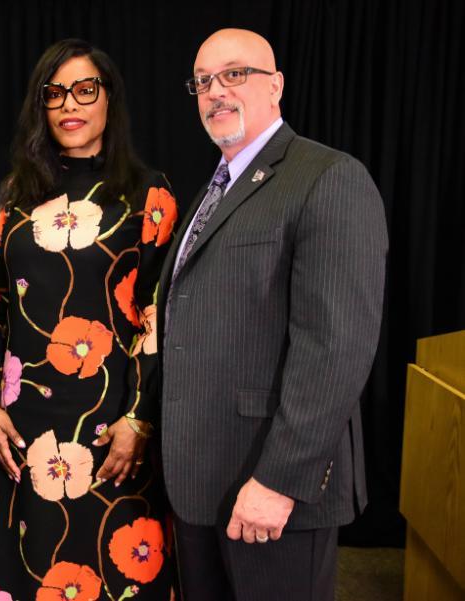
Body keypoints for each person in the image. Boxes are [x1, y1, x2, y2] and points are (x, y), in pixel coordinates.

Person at [158, 29, 388, 600]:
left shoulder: (328, 178)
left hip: (271, 489)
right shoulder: (216, 188)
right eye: (203, 81)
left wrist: (278, 481)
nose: (216, 91)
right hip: (201, 485)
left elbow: (334, 350)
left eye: (235, 74)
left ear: (276, 85)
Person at [0, 39, 179, 600]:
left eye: (85, 89)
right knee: (29, 571)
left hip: (111, 429)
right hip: (24, 427)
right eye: (54, 93)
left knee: (110, 567)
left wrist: (139, 419)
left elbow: (162, 315)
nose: (69, 105)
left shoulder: (148, 194)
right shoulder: (16, 193)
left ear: (110, 99)